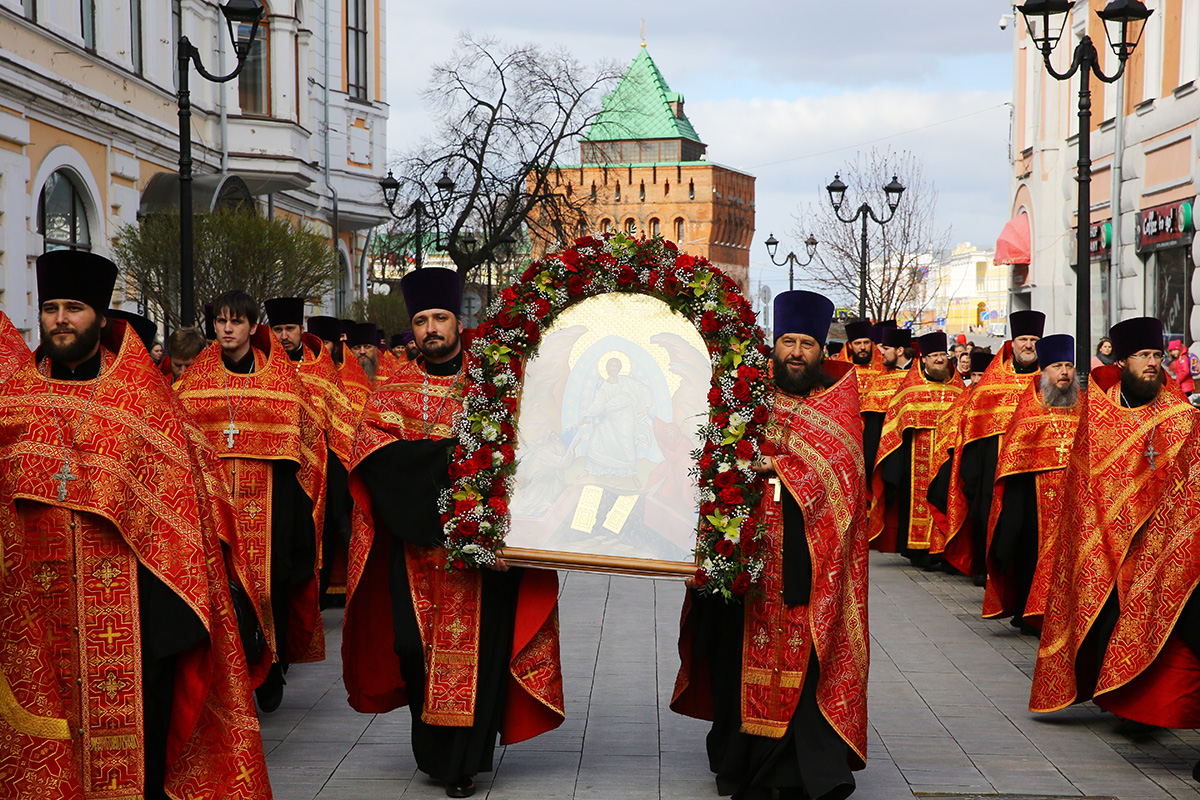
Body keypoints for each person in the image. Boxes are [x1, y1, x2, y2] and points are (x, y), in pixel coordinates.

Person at [0, 252, 272, 799]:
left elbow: (186, 516)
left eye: (73, 308)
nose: (59, 319)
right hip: (33, 619)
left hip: (135, 625)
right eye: (51, 307)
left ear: (100, 317)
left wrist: (169, 635)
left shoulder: (147, 401)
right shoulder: (14, 400)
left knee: (138, 767)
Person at [342, 268, 564, 798]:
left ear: (457, 321)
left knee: (482, 655)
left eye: (439, 318)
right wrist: (455, 460)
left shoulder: (497, 382)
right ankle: (435, 751)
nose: (430, 329)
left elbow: (535, 453)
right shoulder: (393, 392)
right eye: (420, 321)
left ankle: (463, 761)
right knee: (413, 650)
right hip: (417, 551)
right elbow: (377, 459)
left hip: (486, 554)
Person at [672, 289, 869, 800]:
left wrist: (781, 463)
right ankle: (738, 766)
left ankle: (801, 771)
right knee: (733, 658)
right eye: (788, 342)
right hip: (745, 558)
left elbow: (846, 476)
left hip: (806, 562)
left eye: (807, 343)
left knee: (801, 670)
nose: (797, 353)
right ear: (773, 345)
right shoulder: (744, 397)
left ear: (821, 351)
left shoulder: (839, 404)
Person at [1030, 316, 1200, 733]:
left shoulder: (1181, 416)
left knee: (1152, 622)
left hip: (1157, 542)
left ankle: (1138, 708)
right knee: (1105, 619)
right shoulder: (1099, 413)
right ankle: (1109, 694)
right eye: (1144, 356)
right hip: (1102, 536)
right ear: (1122, 360)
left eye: (1157, 356)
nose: (1152, 364)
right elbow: (1082, 480)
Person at [177, 290, 327, 713]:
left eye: (236, 321)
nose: (227, 329)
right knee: (225, 592)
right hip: (216, 504)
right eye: (221, 321)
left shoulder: (278, 378)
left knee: (269, 586)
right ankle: (236, 673)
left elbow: (305, 438)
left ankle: (272, 664)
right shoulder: (195, 381)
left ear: (250, 326)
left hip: (272, 503)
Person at [983, 334, 1082, 633]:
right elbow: (1013, 465)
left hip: (1077, 503)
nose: (1064, 372)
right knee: (1030, 552)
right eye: (1057, 366)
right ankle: (1030, 613)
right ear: (1044, 372)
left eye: (1069, 366)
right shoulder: (1028, 410)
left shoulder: (1088, 409)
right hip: (1033, 502)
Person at [941, 310, 1043, 584]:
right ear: (1013, 342)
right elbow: (973, 426)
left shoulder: (1048, 381)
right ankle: (985, 569)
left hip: (1034, 471)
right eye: (1023, 338)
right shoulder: (993, 383)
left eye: (1034, 339)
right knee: (989, 516)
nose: (1029, 345)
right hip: (993, 470)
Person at [267, 297, 357, 604]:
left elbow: (340, 418)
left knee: (321, 534)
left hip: (321, 469)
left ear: (301, 328)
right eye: (277, 328)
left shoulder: (321, 367)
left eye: (290, 328)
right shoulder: (264, 368)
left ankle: (314, 601)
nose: (283, 336)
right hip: (281, 469)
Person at [870, 330, 964, 565]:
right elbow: (894, 426)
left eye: (943, 354)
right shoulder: (910, 388)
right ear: (924, 359)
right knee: (917, 502)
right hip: (916, 460)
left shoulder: (959, 389)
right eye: (934, 355)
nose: (940, 359)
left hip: (949, 460)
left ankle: (945, 550)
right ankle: (919, 550)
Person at [860, 326, 912, 484]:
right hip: (886, 459)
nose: (881, 352)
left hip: (913, 453)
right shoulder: (882, 379)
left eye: (886, 348)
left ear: (900, 351)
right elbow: (872, 425)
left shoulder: (918, 377)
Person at [309, 314, 373, 414]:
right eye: (314, 342)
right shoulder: (298, 372)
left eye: (325, 342)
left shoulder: (351, 377)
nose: (319, 346)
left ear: (335, 347)